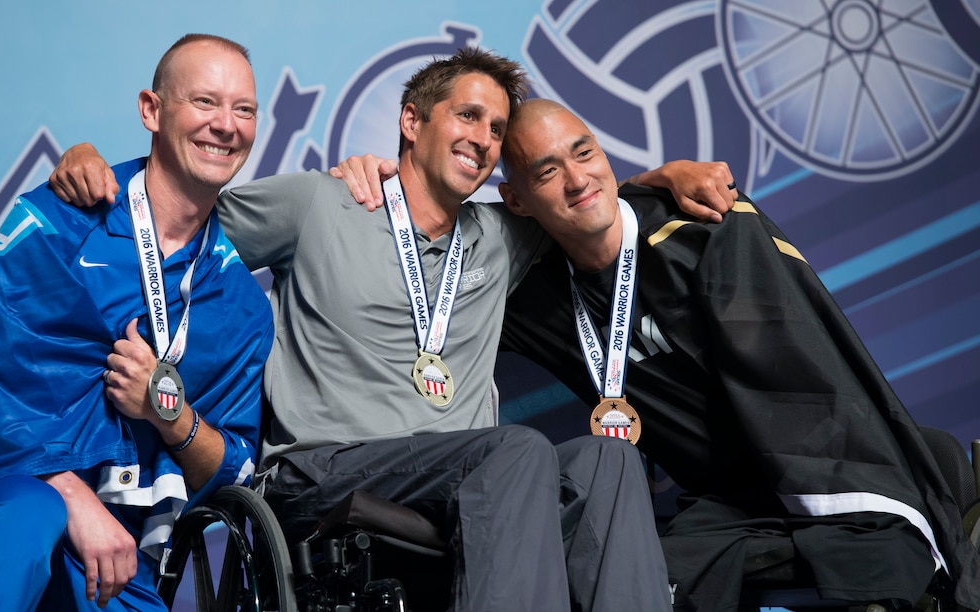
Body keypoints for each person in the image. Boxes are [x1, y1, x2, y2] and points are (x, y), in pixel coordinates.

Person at [49, 47, 739, 611]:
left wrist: (668, 176)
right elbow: (172, 220)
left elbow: (583, 200)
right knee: (519, 450)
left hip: (474, 477)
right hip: (324, 470)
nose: (485, 140)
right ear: (412, 121)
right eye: (468, 116)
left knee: (607, 458)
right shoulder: (320, 202)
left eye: (497, 130)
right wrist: (94, 166)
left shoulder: (503, 236)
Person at [494, 99, 980, 610]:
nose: (577, 179)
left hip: (824, 468)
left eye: (584, 152)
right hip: (724, 507)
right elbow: (440, 247)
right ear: (516, 200)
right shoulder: (532, 296)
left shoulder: (703, 229)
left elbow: (804, 382)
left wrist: (655, 180)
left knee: (884, 563)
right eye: (547, 171)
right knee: (626, 576)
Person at [0, 34, 273, 612]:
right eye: (204, 102)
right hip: (15, 501)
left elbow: (234, 473)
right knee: (31, 519)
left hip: (122, 558)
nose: (226, 124)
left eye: (243, 109)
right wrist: (71, 494)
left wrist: (166, 413)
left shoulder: (242, 304)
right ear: (151, 110)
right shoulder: (57, 221)